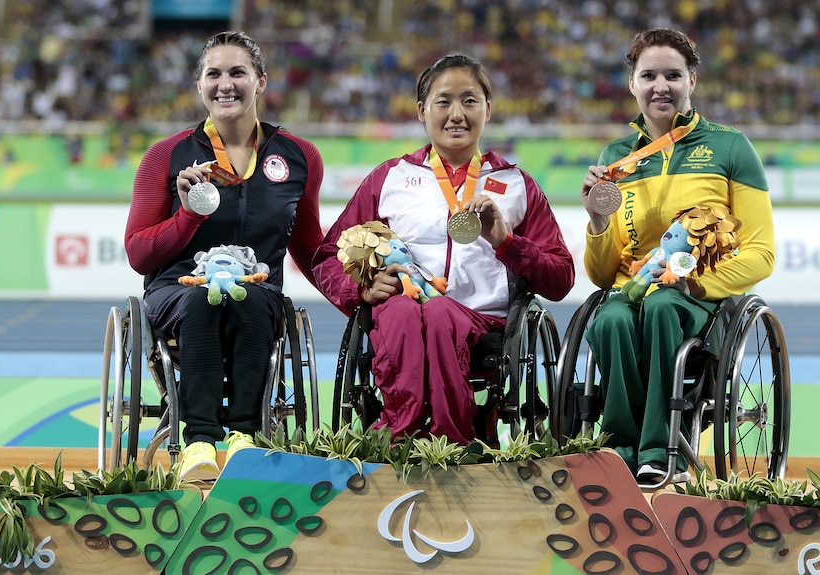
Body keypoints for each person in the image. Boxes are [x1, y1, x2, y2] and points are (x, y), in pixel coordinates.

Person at [312, 54, 575, 445]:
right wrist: (361, 290)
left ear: (488, 108)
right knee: (400, 308)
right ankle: (401, 433)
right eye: (443, 101)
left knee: (439, 313)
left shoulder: (517, 184)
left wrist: (505, 242)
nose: (457, 113)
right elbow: (328, 257)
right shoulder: (391, 178)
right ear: (422, 111)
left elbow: (560, 278)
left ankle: (454, 440)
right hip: (405, 311)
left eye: (469, 101)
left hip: (483, 322)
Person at [124, 31, 324, 480]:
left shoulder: (300, 156)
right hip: (180, 291)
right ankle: (198, 442)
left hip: (257, 289)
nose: (225, 84)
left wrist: (356, 292)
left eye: (238, 72)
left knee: (248, 300)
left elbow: (310, 247)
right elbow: (139, 252)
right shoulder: (165, 156)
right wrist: (188, 214)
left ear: (261, 81)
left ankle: (244, 437)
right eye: (214, 74)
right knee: (203, 301)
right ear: (200, 85)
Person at [579, 28, 775, 486]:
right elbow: (601, 273)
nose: (660, 86)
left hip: (698, 298)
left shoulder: (730, 147)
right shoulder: (616, 158)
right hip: (633, 289)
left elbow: (761, 253)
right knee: (608, 320)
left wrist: (699, 284)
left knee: (663, 306)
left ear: (692, 81)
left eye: (672, 75)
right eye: (648, 75)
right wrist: (598, 223)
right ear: (633, 85)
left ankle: (658, 452)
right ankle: (617, 449)